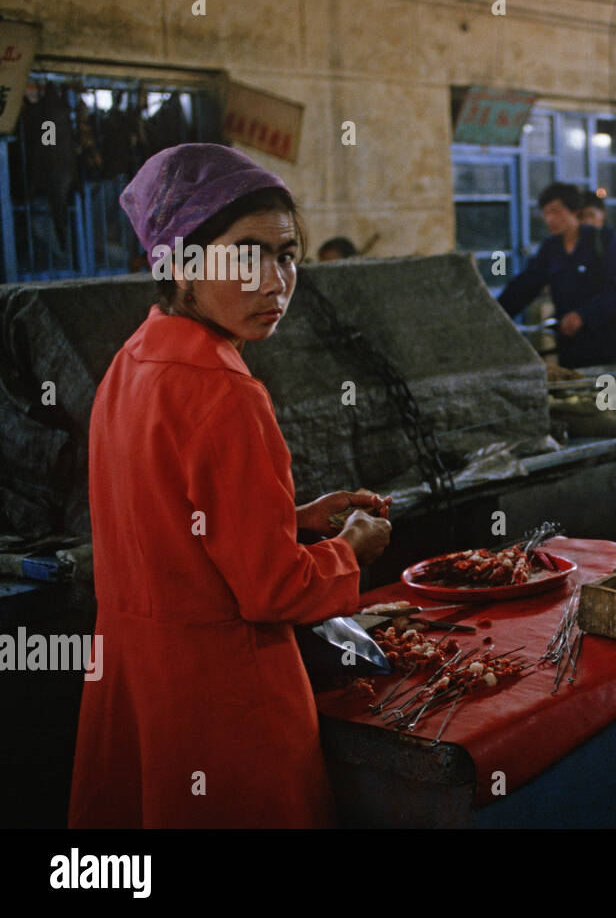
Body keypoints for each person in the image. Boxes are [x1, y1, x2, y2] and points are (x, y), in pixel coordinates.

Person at [69, 144, 393, 828]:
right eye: (247, 254)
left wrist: (290, 517)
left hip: (139, 687)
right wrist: (350, 548)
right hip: (224, 705)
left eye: (287, 254)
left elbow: (164, 521)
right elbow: (274, 590)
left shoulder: (133, 363)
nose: (276, 281)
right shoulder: (225, 391)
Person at [497, 182, 616, 368]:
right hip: (570, 345)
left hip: (608, 341)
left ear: (574, 211)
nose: (549, 219)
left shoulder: (603, 239)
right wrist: (496, 313)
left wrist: (583, 315)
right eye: (545, 213)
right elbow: (526, 285)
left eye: (555, 211)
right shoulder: (550, 248)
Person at [578, 190, 616, 259]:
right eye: (581, 216)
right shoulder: (576, 241)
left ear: (603, 213)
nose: (587, 221)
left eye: (591, 215)